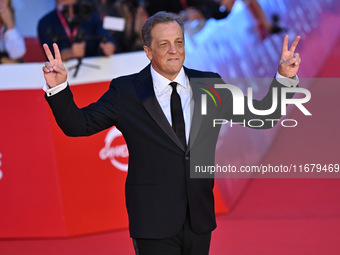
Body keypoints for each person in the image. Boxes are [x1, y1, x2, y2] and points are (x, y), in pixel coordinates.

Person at [42, 11, 301, 255]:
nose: (174, 50)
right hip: (153, 223)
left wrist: (285, 79)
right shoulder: (127, 91)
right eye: (164, 44)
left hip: (198, 219)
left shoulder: (209, 85)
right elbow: (78, 125)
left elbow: (262, 116)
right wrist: (59, 88)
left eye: (178, 42)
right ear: (148, 51)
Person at [38, 0, 116, 61]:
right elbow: (49, 54)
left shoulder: (91, 16)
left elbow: (107, 37)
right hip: (62, 72)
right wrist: (70, 52)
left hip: (95, 70)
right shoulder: (45, 22)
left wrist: (110, 46)